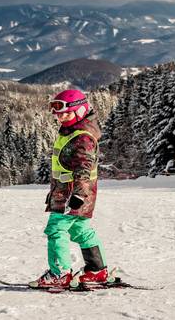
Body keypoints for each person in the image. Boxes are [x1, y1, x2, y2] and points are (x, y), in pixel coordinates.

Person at [30, 89, 108, 289]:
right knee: (80, 230)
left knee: (56, 229)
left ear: (80, 111)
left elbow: (84, 168)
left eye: (66, 112)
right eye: (57, 112)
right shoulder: (72, 131)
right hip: (70, 193)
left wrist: (79, 195)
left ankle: (59, 274)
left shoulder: (82, 137)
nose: (60, 116)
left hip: (74, 195)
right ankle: (97, 270)